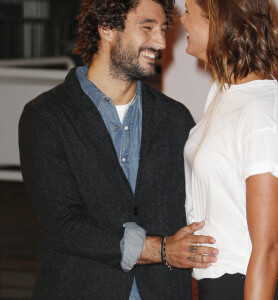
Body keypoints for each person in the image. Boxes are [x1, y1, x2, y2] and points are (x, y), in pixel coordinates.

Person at [18, 0, 220, 299]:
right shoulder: (46, 116)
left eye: (163, 29)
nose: (161, 42)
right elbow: (63, 223)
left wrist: (268, 214)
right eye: (147, 27)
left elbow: (205, 195)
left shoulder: (175, 118)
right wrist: (160, 250)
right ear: (107, 28)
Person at [181, 0, 278, 299]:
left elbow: (268, 248)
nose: (182, 21)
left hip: (243, 284)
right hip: (216, 283)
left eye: (189, 12)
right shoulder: (224, 89)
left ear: (218, 22)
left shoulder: (260, 112)